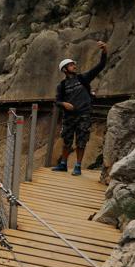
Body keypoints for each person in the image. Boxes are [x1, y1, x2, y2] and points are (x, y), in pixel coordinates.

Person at [52, 41, 108, 176]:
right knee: (67, 141)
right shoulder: (62, 86)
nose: (74, 66)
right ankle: (63, 164)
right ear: (65, 69)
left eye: (74, 64)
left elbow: (100, 66)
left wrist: (104, 51)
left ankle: (77, 166)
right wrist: (64, 104)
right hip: (69, 117)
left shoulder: (83, 78)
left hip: (84, 114)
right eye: (71, 65)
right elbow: (57, 101)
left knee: (81, 141)